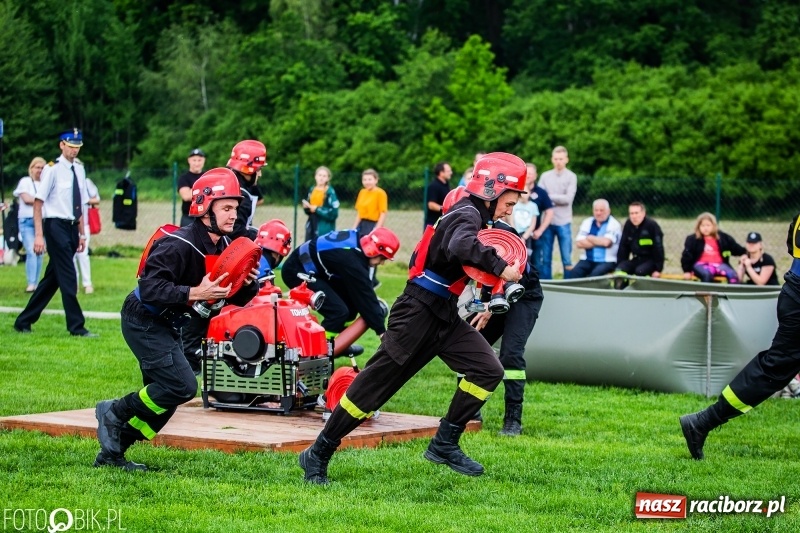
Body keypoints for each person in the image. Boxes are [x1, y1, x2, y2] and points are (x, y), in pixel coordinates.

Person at [298, 152, 525, 485]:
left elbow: (480, 249)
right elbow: (463, 245)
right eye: (511, 200)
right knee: (373, 388)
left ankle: (444, 443)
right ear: (493, 190)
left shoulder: (476, 215)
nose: (511, 208)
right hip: (417, 311)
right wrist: (500, 267)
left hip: (444, 312)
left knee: (488, 369)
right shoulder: (465, 215)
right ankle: (317, 453)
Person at [94, 168, 259, 470]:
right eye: (226, 207)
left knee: (165, 402)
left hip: (169, 322)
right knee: (182, 386)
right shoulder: (178, 244)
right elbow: (150, 288)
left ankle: (111, 454)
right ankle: (113, 412)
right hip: (143, 318)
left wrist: (248, 285)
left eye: (235, 208)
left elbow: (228, 297)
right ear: (203, 207)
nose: (234, 214)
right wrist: (196, 292)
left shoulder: (222, 246)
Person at [679, 213, 800, 460]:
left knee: (773, 369)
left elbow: (791, 245)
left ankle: (702, 422)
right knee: (773, 370)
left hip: (794, 290)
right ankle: (702, 422)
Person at [464, 217, 544, 437]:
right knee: (465, 347)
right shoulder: (462, 231)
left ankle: (512, 421)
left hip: (523, 294)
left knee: (510, 355)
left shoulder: (505, 233)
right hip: (490, 298)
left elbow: (518, 276)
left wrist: (491, 307)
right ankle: (469, 412)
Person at [14, 129, 96, 337]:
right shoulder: (52, 169)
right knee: (68, 276)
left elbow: (80, 205)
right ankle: (77, 326)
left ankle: (24, 320)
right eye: (71, 146)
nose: (74, 150)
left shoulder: (79, 170)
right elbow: (38, 203)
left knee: (52, 279)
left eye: (78, 147)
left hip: (71, 227)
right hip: (54, 225)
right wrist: (39, 235)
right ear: (62, 145)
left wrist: (82, 234)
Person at [281, 227, 399, 338]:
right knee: (338, 312)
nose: (382, 263)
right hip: (297, 270)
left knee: (351, 308)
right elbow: (364, 294)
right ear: (373, 250)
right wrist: (381, 331)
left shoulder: (357, 242)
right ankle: (323, 349)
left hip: (315, 269)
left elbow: (362, 290)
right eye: (382, 258)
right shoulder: (352, 260)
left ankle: (339, 342)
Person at [538, 146, 577, 279]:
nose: (558, 161)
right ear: (552, 159)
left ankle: (568, 284)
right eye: (556, 159)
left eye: (561, 159)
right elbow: (541, 198)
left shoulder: (571, 177)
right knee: (546, 258)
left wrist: (549, 197)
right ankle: (547, 285)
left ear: (566, 159)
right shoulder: (545, 176)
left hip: (564, 221)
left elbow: (568, 199)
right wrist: (555, 197)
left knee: (566, 258)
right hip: (547, 222)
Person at [680, 212, 746, 283]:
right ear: (698, 227)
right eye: (702, 225)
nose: (705, 228)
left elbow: (735, 248)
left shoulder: (723, 238)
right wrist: (686, 271)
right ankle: (706, 294)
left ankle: (731, 294)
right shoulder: (693, 239)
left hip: (720, 265)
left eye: (708, 225)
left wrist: (745, 253)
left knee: (733, 275)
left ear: (713, 226)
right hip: (700, 265)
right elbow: (687, 255)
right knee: (707, 275)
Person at [13, 157, 46, 292]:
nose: (39, 170)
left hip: (42, 221)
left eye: (42, 168)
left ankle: (36, 282)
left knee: (40, 252)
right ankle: (31, 282)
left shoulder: (45, 183)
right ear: (31, 169)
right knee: (32, 251)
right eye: (37, 167)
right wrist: (41, 200)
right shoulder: (25, 182)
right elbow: (26, 199)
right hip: (27, 220)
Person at [567, 199, 622, 279]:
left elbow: (607, 243)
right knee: (575, 273)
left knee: (594, 276)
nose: (598, 213)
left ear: (608, 211)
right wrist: (600, 241)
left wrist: (590, 238)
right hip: (587, 259)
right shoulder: (587, 222)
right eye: (596, 210)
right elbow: (579, 243)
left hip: (607, 261)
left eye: (601, 210)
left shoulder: (614, 224)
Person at [226, 140, 267, 240]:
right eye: (258, 169)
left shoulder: (228, 183)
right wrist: (260, 238)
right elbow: (235, 231)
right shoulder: (242, 197)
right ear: (248, 169)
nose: (260, 174)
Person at [615, 201, 665, 280]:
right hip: (636, 259)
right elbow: (623, 247)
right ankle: (621, 290)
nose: (634, 216)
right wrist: (620, 264)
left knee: (640, 271)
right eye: (631, 213)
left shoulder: (652, 225)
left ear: (643, 213)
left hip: (650, 260)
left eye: (636, 213)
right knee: (620, 270)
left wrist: (658, 269)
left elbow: (658, 248)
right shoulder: (628, 225)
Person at [523, 163, 554, 276]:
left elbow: (550, 212)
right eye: (526, 173)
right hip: (516, 234)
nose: (528, 176)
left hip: (534, 235)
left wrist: (540, 230)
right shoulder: (515, 190)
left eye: (531, 173)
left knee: (536, 262)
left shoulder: (541, 192)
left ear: (535, 176)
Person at [73, 177, 100, 294]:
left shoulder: (86, 182)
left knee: (83, 254)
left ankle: (87, 283)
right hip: (69, 223)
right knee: (71, 256)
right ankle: (73, 284)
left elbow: (96, 199)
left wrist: (84, 200)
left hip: (85, 224)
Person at [301, 166, 339, 242]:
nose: (321, 178)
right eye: (319, 175)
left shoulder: (330, 192)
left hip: (324, 226)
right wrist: (306, 208)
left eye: (324, 176)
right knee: (309, 248)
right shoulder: (312, 189)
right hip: (312, 223)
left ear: (328, 178)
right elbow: (309, 210)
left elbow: (334, 213)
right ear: (315, 176)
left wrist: (317, 209)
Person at [353, 168, 388, 237]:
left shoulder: (380, 193)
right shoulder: (362, 192)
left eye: (370, 179)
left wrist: (377, 229)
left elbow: (383, 213)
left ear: (376, 180)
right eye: (364, 180)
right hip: (362, 224)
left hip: (373, 224)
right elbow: (360, 213)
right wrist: (354, 227)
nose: (367, 182)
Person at [177, 148, 206, 227]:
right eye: (194, 160)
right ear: (189, 160)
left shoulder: (207, 176)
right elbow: (186, 196)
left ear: (204, 161)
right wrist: (203, 186)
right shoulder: (184, 178)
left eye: (199, 160)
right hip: (188, 218)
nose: (197, 163)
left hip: (205, 217)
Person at [509, 182, 539, 256]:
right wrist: (516, 234)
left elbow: (533, 224)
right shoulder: (514, 204)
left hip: (527, 235)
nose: (524, 194)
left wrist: (524, 237)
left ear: (529, 193)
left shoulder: (533, 206)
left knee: (527, 256)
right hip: (515, 233)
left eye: (526, 191)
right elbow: (511, 221)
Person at [425, 162, 453, 227]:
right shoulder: (434, 186)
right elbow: (431, 205)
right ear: (441, 173)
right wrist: (445, 209)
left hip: (443, 223)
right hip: (434, 224)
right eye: (448, 171)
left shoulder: (446, 185)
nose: (451, 173)